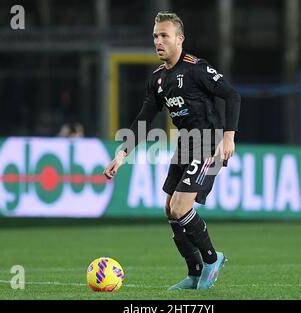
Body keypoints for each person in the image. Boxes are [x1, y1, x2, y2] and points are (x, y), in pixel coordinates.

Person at [103, 11, 241, 290]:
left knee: (181, 206)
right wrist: (122, 153)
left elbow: (232, 95)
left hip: (207, 144)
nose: (158, 41)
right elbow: (144, 119)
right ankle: (194, 273)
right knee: (169, 209)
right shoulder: (157, 79)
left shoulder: (197, 68)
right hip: (184, 146)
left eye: (164, 35)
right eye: (155, 36)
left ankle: (213, 259)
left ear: (179, 39)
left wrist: (228, 137)